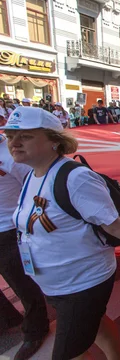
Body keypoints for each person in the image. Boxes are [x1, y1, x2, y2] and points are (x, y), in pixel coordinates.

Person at [1, 107, 120, 360]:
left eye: (25, 136)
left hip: (83, 282)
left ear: (53, 141)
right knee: (95, 324)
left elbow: (113, 225)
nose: (14, 143)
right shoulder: (32, 176)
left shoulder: (76, 178)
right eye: (10, 136)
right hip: (56, 283)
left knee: (70, 351)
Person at [0, 117, 50, 360]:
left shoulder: (11, 156)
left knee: (23, 284)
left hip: (8, 231)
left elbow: (33, 189)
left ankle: (35, 330)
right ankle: (6, 318)